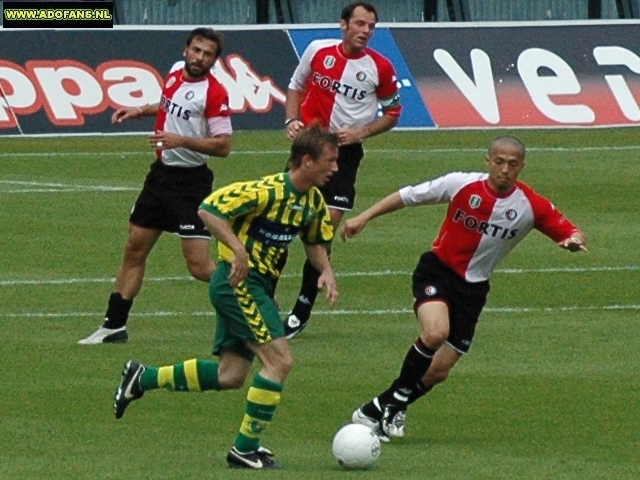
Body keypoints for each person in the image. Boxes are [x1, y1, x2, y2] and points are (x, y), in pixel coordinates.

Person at [112, 124, 340, 469]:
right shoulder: (266, 191)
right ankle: (244, 449)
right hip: (238, 285)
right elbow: (209, 209)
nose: (335, 168)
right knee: (280, 363)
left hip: (258, 288)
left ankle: (141, 378)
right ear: (307, 161)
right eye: (331, 160)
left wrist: (325, 270)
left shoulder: (312, 203)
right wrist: (237, 249)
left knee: (229, 375)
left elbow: (313, 241)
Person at [341, 136, 587, 441]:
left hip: (473, 290)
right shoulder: (461, 184)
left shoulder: (530, 205)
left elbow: (570, 229)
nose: (505, 169)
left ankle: (388, 405)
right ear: (488, 161)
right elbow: (409, 196)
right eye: (499, 161)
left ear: (522, 166)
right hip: (437, 272)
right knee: (435, 333)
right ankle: (383, 406)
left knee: (439, 371)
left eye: (512, 164)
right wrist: (364, 217)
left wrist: (574, 240)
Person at [79, 27, 232, 345]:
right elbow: (169, 104)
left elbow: (223, 146)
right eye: (196, 50)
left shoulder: (214, 92)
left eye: (207, 54)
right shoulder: (176, 72)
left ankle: (256, 299)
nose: (200, 57)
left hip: (191, 183)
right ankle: (113, 326)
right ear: (186, 49)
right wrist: (141, 110)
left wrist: (182, 140)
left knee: (200, 266)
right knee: (134, 247)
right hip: (160, 177)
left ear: (214, 60)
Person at [281, 1, 402, 339]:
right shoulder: (318, 50)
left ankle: (302, 308)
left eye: (371, 26)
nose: (365, 31)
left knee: (323, 229)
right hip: (307, 149)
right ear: (344, 25)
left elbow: (393, 113)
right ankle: (265, 297)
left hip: (343, 157)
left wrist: (362, 132)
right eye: (360, 24)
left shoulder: (380, 67)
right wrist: (292, 119)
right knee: (279, 220)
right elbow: (295, 84)